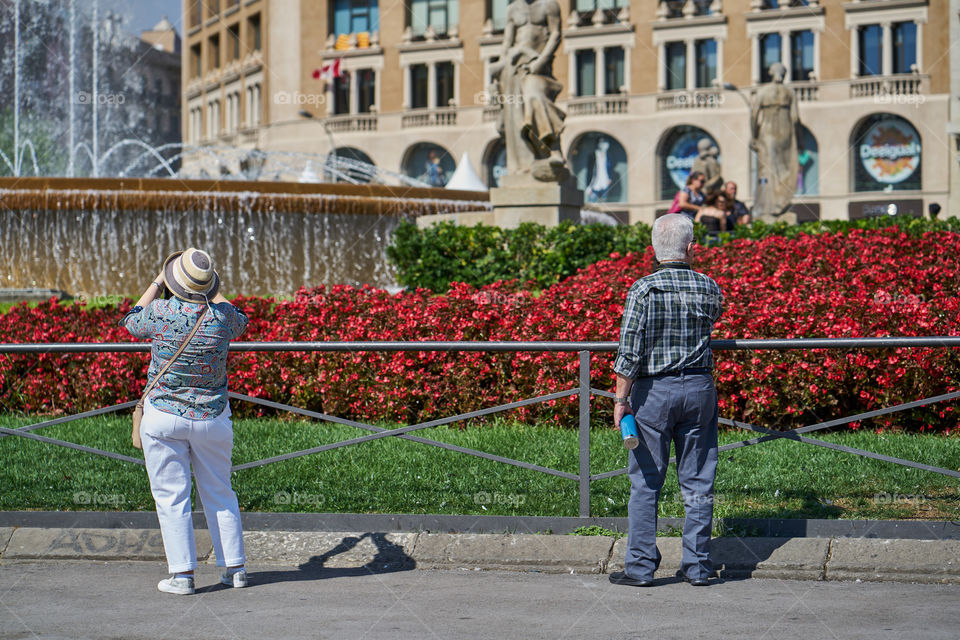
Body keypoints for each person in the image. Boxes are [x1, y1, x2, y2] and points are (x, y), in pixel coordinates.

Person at [121, 248, 250, 595]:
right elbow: (242, 317)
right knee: (220, 492)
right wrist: (210, 290)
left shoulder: (161, 312)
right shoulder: (223, 318)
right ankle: (235, 569)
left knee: (171, 496)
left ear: (173, 283)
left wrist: (158, 281)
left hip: (164, 416)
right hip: (212, 418)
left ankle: (183, 576)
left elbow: (130, 320)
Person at [608, 214, 724, 588]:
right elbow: (716, 317)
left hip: (653, 393)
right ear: (692, 249)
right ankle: (698, 566)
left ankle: (640, 568)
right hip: (700, 390)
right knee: (698, 482)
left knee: (645, 482)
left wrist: (620, 401)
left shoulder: (642, 290)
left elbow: (629, 352)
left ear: (653, 250)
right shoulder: (708, 287)